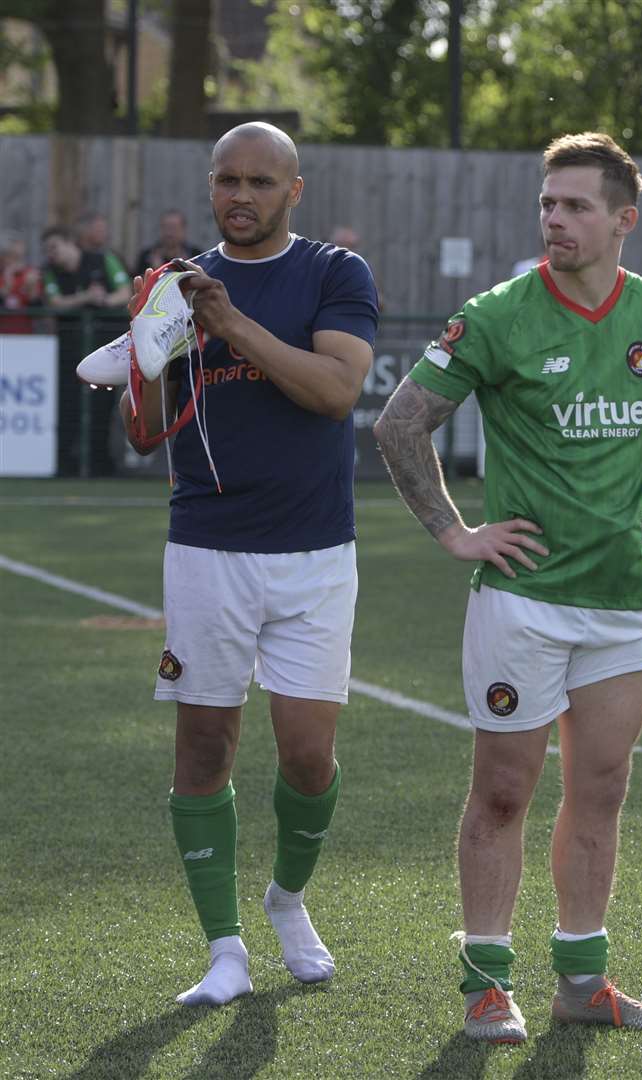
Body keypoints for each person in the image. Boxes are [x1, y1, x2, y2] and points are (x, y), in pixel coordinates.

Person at [373, 132, 642, 1044]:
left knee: (603, 787)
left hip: (622, 603)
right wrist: (455, 532)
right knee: (503, 790)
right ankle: (484, 985)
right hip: (522, 601)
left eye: (576, 205)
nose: (555, 219)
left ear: (624, 220)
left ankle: (583, 980)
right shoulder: (498, 314)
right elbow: (399, 424)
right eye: (548, 203)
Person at [118, 121, 379, 1007]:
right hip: (207, 548)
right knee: (205, 747)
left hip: (314, 552)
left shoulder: (334, 274)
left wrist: (229, 324)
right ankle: (224, 948)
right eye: (225, 180)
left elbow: (337, 392)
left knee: (308, 759)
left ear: (292, 192)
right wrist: (146, 345)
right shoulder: (175, 285)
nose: (240, 196)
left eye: (260, 182)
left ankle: (287, 900)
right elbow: (148, 428)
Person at [43, 224, 132, 475]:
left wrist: (104, 300)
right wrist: (85, 297)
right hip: (70, 351)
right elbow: (55, 302)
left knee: (102, 407)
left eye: (54, 247)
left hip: (105, 347)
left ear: (70, 242)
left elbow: (124, 292)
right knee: (68, 405)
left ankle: (99, 463)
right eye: (47, 250)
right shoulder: (50, 271)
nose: (51, 255)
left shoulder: (103, 259)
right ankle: (66, 464)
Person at [1, 230, 43, 333]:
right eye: (11, 256)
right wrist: (7, 287)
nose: (16, 262)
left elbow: (38, 312)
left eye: (19, 258)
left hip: (24, 336)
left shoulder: (30, 275)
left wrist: (31, 290)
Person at [137, 209, 202, 274]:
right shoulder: (147, 256)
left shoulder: (195, 255)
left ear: (183, 230)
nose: (169, 232)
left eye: (174, 228)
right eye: (166, 227)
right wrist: (154, 270)